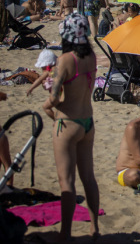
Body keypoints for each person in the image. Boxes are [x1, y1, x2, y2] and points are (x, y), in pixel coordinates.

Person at [41, 13, 100, 240]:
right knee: (89, 178)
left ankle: (65, 233)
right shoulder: (92, 57)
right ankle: (95, 228)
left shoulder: (65, 59)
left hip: (67, 122)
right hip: (87, 122)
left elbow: (55, 98)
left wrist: (46, 104)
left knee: (66, 181)